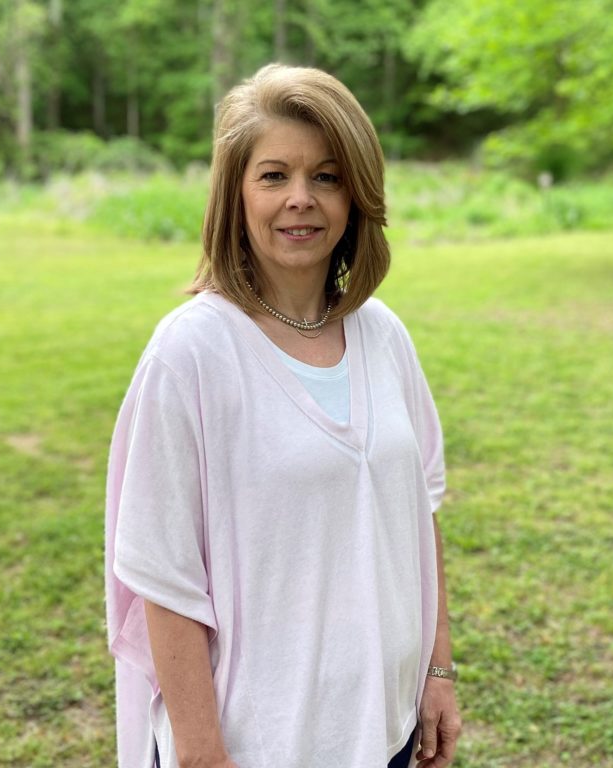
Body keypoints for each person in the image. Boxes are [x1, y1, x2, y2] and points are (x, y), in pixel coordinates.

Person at [105, 63, 462, 768]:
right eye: (274, 176)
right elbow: (163, 576)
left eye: (327, 176)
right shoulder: (191, 352)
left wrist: (438, 670)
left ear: (356, 195)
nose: (302, 198)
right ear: (235, 195)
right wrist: (202, 754)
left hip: (385, 730)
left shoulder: (383, 334)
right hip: (258, 744)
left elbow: (417, 513)